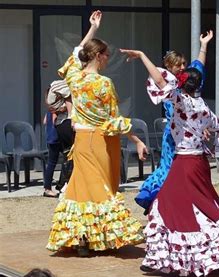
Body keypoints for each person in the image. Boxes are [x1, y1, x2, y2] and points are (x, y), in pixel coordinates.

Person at [120, 48, 219, 277]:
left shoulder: (180, 101)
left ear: (181, 84)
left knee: (169, 206)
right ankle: (193, 256)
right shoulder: (202, 107)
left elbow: (158, 79)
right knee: (200, 205)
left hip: (184, 163)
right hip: (199, 163)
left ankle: (183, 257)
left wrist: (142, 55)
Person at [46, 10, 146, 255]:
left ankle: (83, 239)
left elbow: (75, 54)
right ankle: (96, 237)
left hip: (81, 140)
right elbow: (113, 119)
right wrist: (136, 139)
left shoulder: (75, 79)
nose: (107, 59)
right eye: (106, 55)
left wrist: (93, 29)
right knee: (99, 189)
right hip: (101, 141)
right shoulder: (104, 84)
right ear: (99, 56)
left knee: (81, 189)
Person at [133, 31, 213, 214]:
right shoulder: (171, 89)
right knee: (169, 170)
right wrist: (142, 56)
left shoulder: (187, 83)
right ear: (169, 66)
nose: (183, 67)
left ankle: (188, 205)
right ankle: (159, 203)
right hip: (173, 137)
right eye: (179, 65)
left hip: (191, 136)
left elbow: (198, 66)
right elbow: (159, 79)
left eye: (184, 63)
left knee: (190, 172)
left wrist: (204, 45)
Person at [45, 79, 75, 192]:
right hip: (55, 137)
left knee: (55, 161)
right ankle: (55, 186)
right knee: (65, 159)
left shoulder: (51, 108)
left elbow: (45, 122)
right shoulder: (56, 113)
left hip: (52, 137)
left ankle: (51, 186)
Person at [43, 110, 61, 198]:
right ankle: (48, 188)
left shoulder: (50, 110)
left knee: (51, 163)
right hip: (56, 137)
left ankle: (48, 187)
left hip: (50, 137)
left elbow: (44, 122)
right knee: (53, 162)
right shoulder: (57, 110)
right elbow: (55, 121)